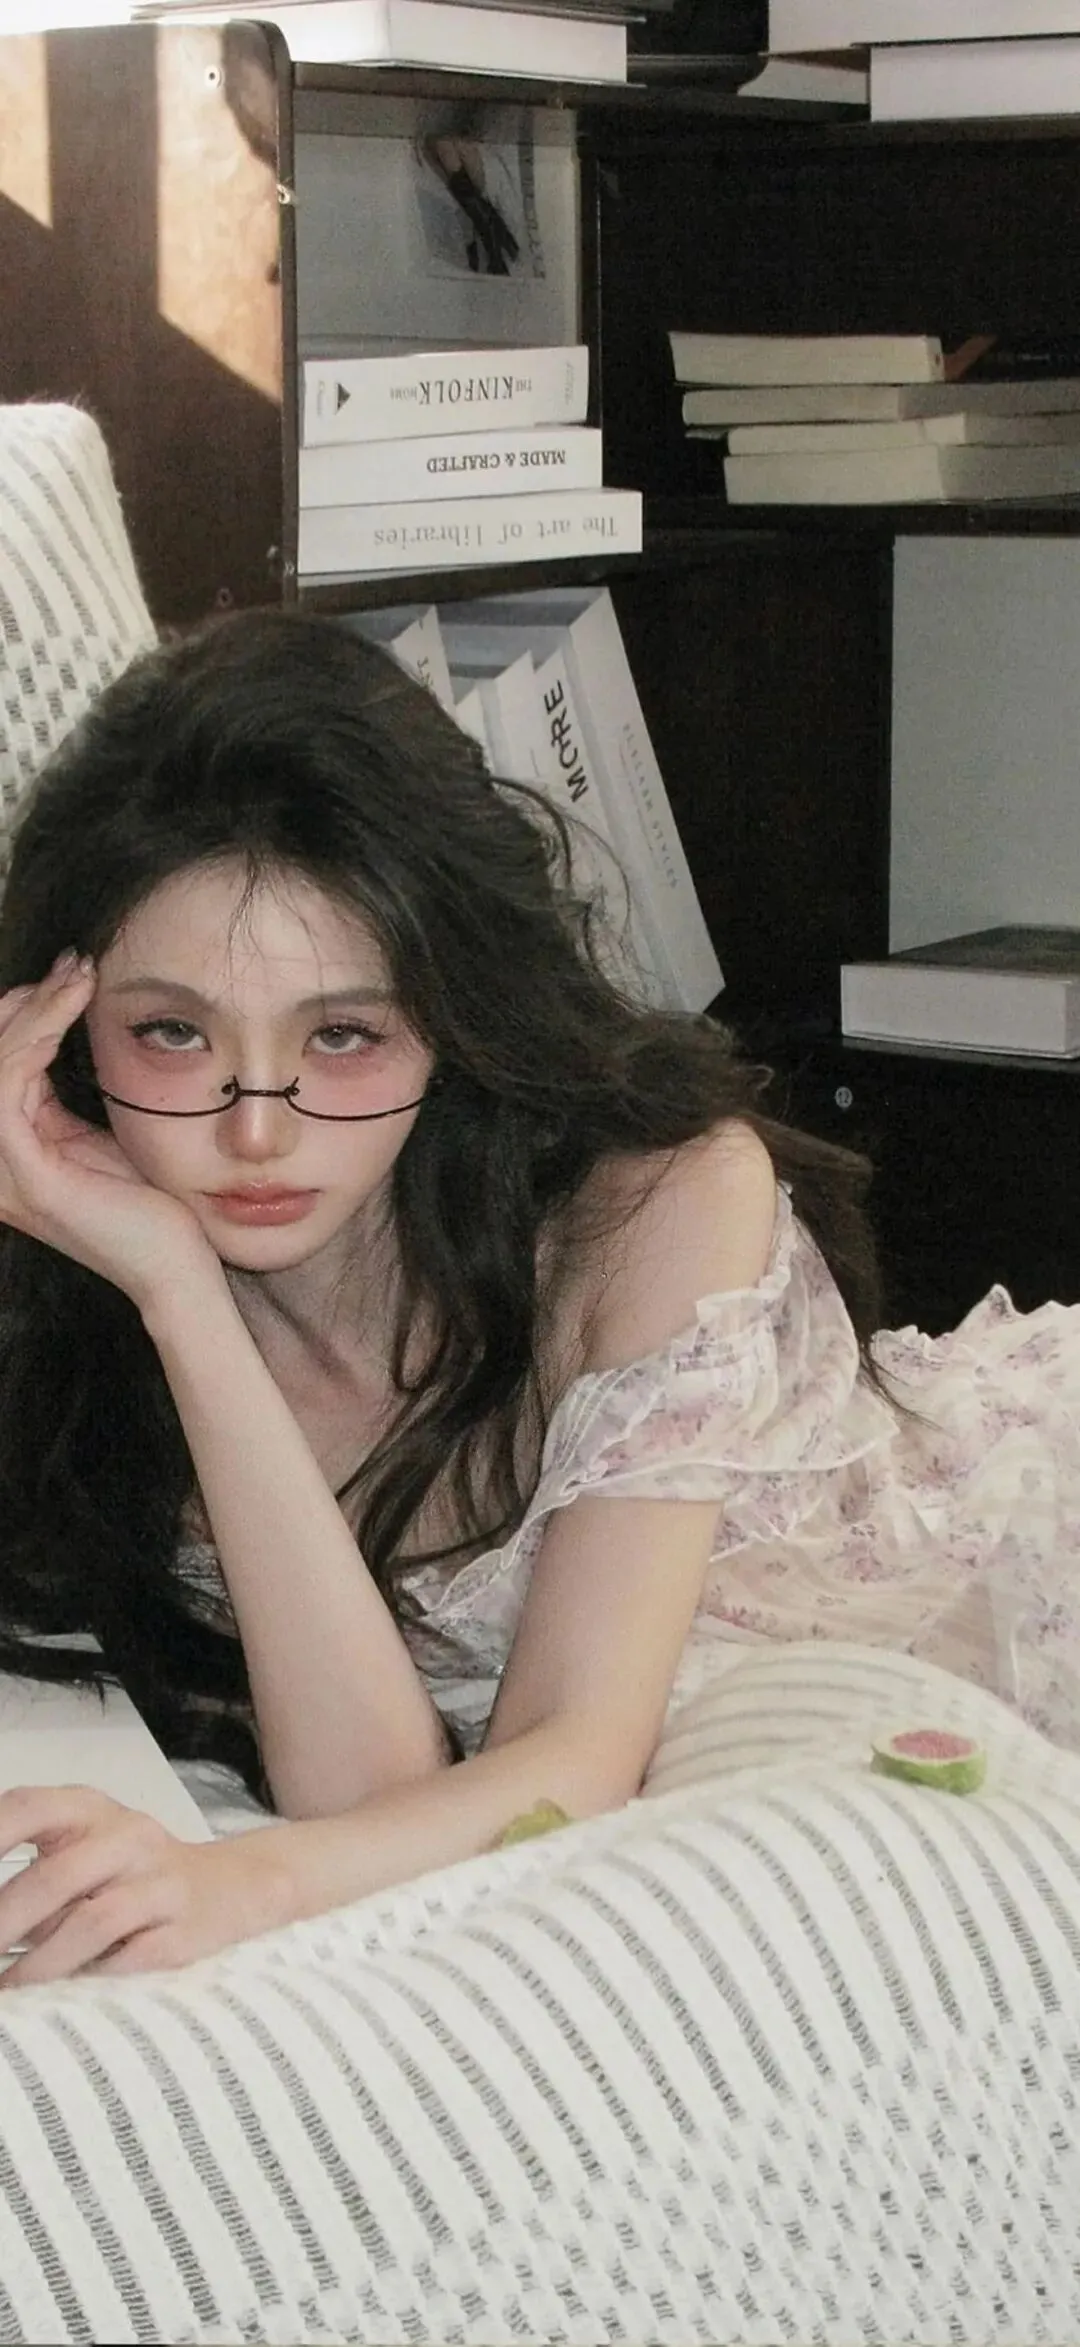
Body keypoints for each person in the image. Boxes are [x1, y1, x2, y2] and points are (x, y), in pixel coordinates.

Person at [0, 608, 1074, 1990]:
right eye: (171, 1032)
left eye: (343, 1033)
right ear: (64, 1033)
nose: (255, 1132)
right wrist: (181, 1297)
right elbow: (377, 1800)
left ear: (450, 1013)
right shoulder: (107, 1284)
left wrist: (234, 1883)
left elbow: (574, 1757)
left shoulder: (657, 1208)